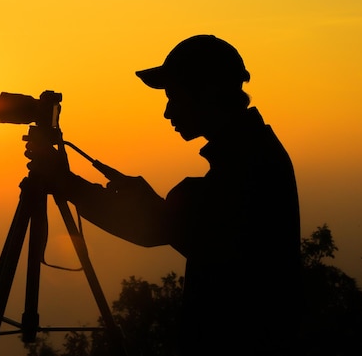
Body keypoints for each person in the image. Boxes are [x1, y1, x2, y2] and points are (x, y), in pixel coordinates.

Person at [26, 35, 301, 356]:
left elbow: (165, 229)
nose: (168, 113)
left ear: (208, 93)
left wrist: (64, 182)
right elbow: (198, 230)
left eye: (174, 97)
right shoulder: (254, 153)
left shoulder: (248, 165)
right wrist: (149, 201)